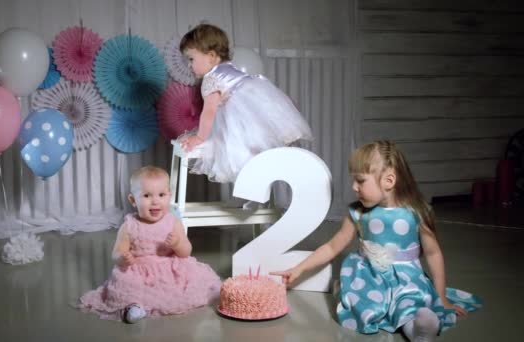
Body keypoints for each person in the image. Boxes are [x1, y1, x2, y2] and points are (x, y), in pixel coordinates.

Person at [270, 140, 482, 341]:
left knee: (409, 304)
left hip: (406, 279)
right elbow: (333, 246)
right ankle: (358, 297)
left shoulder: (416, 212)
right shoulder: (358, 213)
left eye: (360, 180)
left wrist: (442, 296)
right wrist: (299, 269)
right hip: (368, 277)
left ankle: (419, 328)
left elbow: (434, 253)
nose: (354, 187)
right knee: (361, 304)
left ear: (389, 181)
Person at [79, 166, 221, 323]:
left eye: (161, 195)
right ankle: (134, 307)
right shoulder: (129, 226)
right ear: (133, 200)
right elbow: (117, 252)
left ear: (169, 196)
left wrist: (177, 244)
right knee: (128, 284)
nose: (155, 201)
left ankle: (199, 293)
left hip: (170, 267)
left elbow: (186, 252)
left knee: (188, 279)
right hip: (140, 270)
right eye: (146, 195)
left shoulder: (173, 222)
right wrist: (123, 258)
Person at [178, 23, 313, 184]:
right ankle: (257, 181)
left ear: (211, 56)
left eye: (191, 59)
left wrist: (200, 138)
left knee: (235, 147)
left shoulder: (211, 79)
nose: (189, 65)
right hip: (256, 112)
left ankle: (249, 183)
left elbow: (209, 112)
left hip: (241, 118)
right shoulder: (229, 68)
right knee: (251, 139)